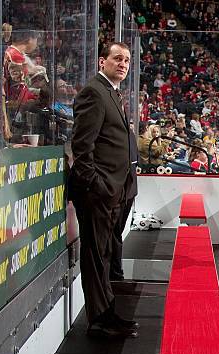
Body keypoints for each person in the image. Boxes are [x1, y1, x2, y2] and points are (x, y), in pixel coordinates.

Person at [68, 42, 139, 338]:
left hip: (113, 189)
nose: (122, 64)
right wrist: (98, 186)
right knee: (96, 255)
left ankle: (107, 311)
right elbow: (82, 148)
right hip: (98, 192)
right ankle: (98, 319)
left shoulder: (111, 92)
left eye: (126, 60)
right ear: (102, 62)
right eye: (117, 58)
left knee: (105, 253)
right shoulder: (94, 93)